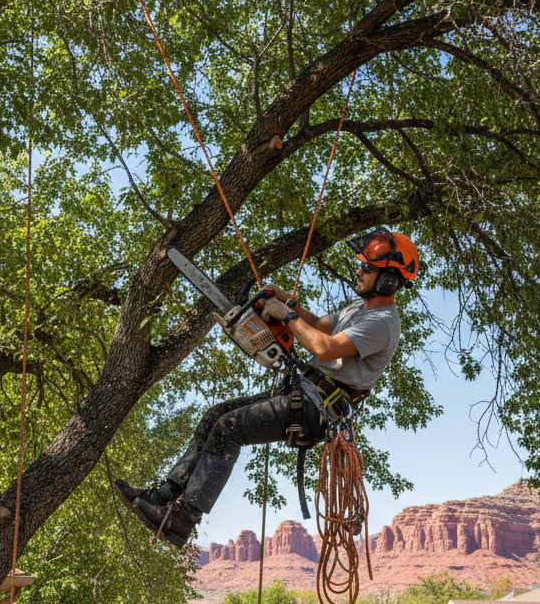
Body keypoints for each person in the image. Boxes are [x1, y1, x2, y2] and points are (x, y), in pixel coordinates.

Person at [115, 228, 419, 547]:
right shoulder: (359, 310)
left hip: (317, 410)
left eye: (367, 268)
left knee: (229, 428)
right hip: (301, 394)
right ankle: (165, 495)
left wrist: (286, 315)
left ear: (388, 280)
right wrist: (285, 301)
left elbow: (325, 347)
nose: (358, 271)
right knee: (215, 416)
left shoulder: (383, 323)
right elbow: (316, 326)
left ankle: (182, 520)